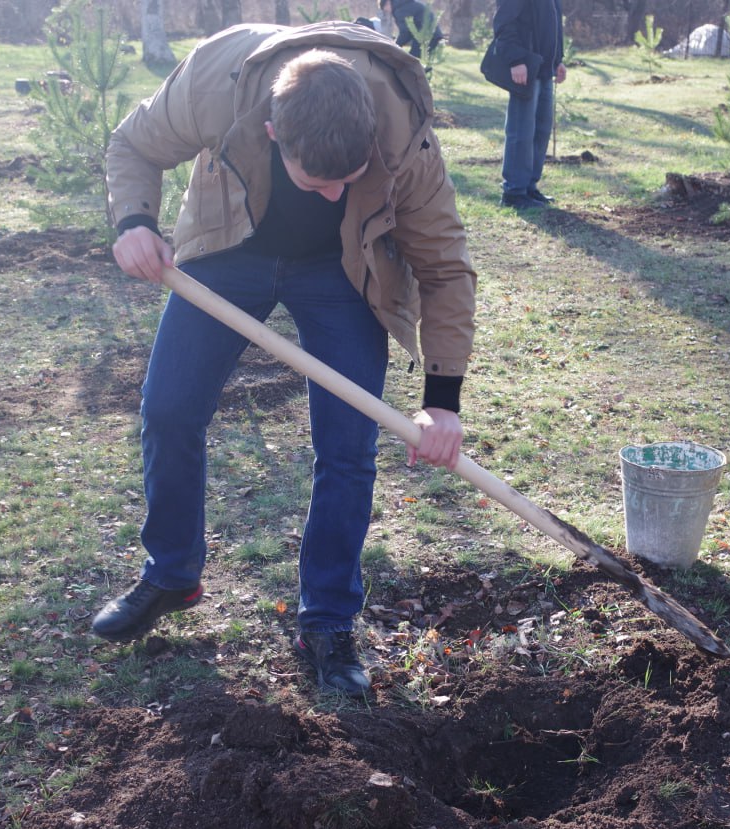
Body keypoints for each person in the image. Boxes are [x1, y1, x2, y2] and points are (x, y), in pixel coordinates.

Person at [93, 22, 477, 699]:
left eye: (348, 182)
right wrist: (133, 222)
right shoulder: (220, 77)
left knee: (348, 446)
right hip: (229, 248)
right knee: (169, 407)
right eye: (317, 181)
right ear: (274, 133)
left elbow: (444, 266)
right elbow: (132, 144)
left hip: (342, 268)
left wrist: (442, 397)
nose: (333, 195)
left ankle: (327, 619)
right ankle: (172, 571)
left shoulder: (400, 131)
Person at [490, 0, 566, 209]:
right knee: (520, 130)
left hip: (545, 68)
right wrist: (516, 60)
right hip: (526, 65)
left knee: (541, 130)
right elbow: (504, 24)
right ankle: (514, 192)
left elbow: (553, 23)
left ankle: (530, 187)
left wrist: (558, 59)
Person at [380, 0, 444, 61]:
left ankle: (421, 70)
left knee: (412, 61)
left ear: (387, 3)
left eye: (385, 9)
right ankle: (424, 69)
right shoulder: (405, 4)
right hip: (433, 33)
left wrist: (395, 45)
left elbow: (406, 33)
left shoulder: (400, 10)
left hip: (425, 35)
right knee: (417, 60)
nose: (388, 12)